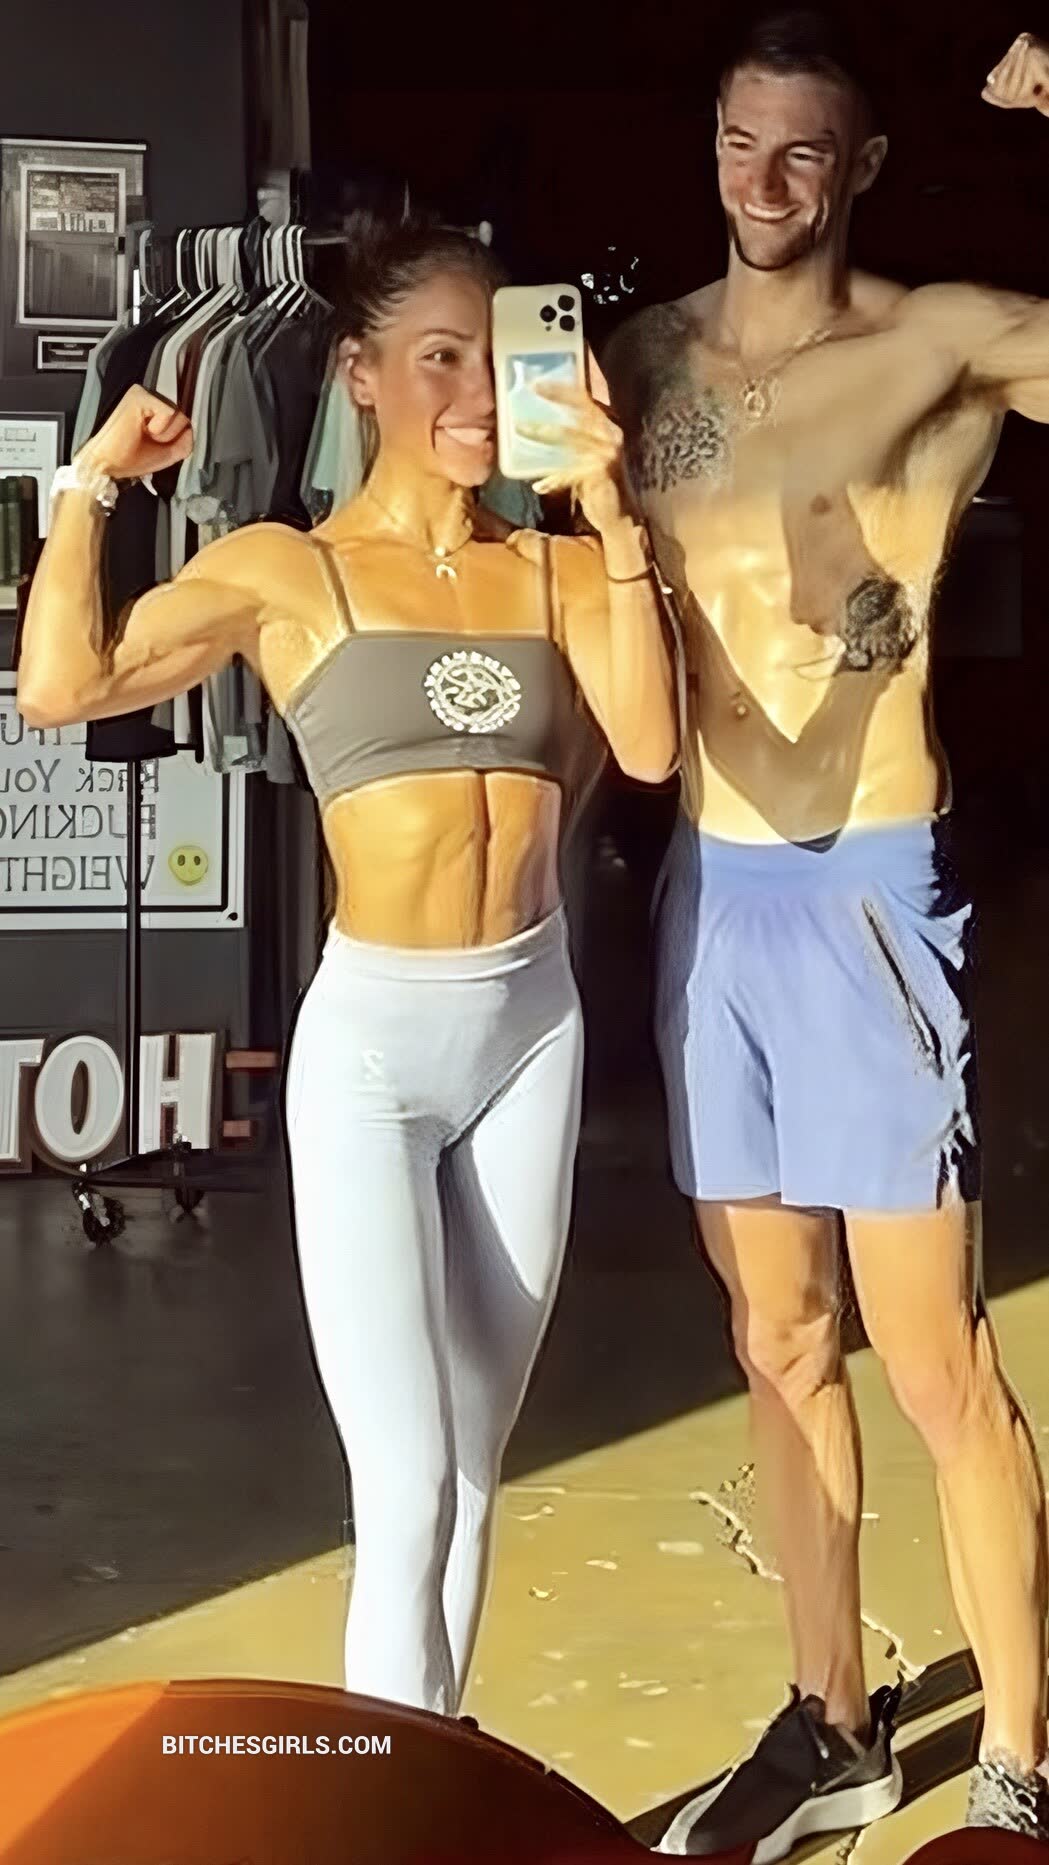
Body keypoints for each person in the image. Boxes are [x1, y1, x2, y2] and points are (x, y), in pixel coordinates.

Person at [17, 216, 678, 1717]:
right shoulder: (288, 571)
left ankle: (430, 1773)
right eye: (437, 357)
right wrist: (91, 484)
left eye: (493, 357)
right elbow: (62, 685)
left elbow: (647, 746)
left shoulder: (558, 568)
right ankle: (388, 1795)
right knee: (408, 1480)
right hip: (375, 1050)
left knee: (474, 1466)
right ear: (360, 376)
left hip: (530, 1028)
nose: (473, 391)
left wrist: (611, 507)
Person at [602, 11, 1049, 1854]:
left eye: (802, 149)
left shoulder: (938, 341)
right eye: (737, 142)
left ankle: (1017, 1752)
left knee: (932, 1358)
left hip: (868, 876)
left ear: (860, 164)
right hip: (712, 886)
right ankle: (834, 1722)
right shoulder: (638, 359)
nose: (763, 180)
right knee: (776, 1338)